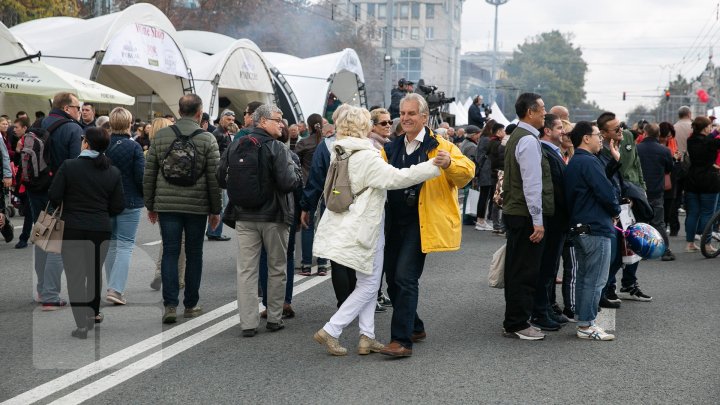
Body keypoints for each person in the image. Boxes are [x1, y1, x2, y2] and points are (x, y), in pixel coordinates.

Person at [312, 105, 442, 356]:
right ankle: (332, 329)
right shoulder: (366, 155)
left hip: (350, 223)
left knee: (366, 281)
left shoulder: (339, 151)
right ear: (363, 127)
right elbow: (397, 178)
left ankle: (367, 336)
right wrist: (432, 167)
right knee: (370, 285)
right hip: (368, 227)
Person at [379, 93, 474, 357]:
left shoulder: (440, 145)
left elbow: (467, 173)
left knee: (405, 278)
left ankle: (401, 341)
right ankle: (416, 326)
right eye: (403, 113)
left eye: (412, 114)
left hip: (420, 223)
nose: (406, 118)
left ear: (424, 117)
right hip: (392, 222)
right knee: (392, 281)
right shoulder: (390, 147)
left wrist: (450, 163)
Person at [219, 104, 302, 337]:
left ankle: (248, 323)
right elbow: (287, 183)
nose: (282, 123)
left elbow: (220, 177)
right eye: (278, 119)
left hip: (244, 216)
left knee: (246, 270)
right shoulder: (276, 147)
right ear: (263, 121)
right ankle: (274, 318)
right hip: (274, 216)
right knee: (277, 267)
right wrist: (296, 173)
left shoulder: (236, 144)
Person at [143, 94, 222, 324]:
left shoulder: (161, 136)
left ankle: (169, 305)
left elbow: (149, 174)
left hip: (167, 204)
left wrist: (151, 204)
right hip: (197, 206)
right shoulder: (207, 139)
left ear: (179, 111)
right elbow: (213, 179)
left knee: (170, 251)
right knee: (194, 253)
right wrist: (215, 210)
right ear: (199, 113)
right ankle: (191, 304)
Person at [48, 127, 124, 339]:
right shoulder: (112, 171)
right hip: (100, 228)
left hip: (72, 227)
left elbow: (54, 195)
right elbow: (118, 206)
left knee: (75, 276)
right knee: (94, 273)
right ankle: (93, 314)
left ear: (87, 143)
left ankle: (81, 324)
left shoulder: (69, 166)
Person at [501, 92, 553, 341]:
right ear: (530, 112)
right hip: (525, 215)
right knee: (525, 271)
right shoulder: (529, 141)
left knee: (515, 269)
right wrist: (538, 221)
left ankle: (513, 320)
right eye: (542, 108)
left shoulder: (516, 136)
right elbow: (532, 184)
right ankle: (518, 323)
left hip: (515, 212)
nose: (545, 112)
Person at [564, 121, 620, 341]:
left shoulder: (576, 161)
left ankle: (583, 320)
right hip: (596, 226)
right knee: (596, 279)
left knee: (585, 277)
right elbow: (606, 191)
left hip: (580, 226)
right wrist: (615, 209)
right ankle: (587, 325)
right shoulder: (589, 161)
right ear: (586, 138)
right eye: (598, 135)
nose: (601, 139)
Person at [34, 92, 84, 310]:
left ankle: (41, 288)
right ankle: (51, 296)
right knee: (57, 243)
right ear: (66, 108)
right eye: (77, 107)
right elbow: (76, 164)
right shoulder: (73, 128)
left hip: (36, 189)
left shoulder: (38, 123)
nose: (79, 111)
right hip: (61, 191)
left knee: (41, 238)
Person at [531, 113, 571, 330]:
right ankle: (540, 311)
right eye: (559, 128)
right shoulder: (545, 152)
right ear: (547, 131)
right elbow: (555, 189)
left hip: (556, 219)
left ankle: (546, 307)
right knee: (546, 268)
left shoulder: (553, 152)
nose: (563, 131)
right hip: (552, 218)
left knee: (551, 267)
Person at [103, 107, 145, 306]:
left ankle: (113, 285)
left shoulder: (103, 145)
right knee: (125, 245)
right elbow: (140, 177)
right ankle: (115, 289)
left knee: (111, 244)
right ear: (130, 124)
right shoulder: (134, 147)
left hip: (106, 201)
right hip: (130, 200)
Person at [146, 118, 186, 291]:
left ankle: (159, 272)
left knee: (167, 240)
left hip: (161, 200)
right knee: (181, 242)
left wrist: (150, 205)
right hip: (181, 199)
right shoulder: (178, 147)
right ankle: (179, 278)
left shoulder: (151, 150)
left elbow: (148, 178)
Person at [295, 113, 330, 276]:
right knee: (324, 227)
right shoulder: (326, 144)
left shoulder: (303, 143)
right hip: (327, 189)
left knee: (307, 226)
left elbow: (296, 164)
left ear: (308, 127)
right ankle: (322, 264)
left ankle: (306, 265)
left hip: (308, 188)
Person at [637, 123, 675, 261]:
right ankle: (665, 251)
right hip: (657, 190)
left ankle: (641, 250)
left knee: (641, 221)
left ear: (644, 133)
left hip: (640, 191)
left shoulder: (636, 149)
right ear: (659, 135)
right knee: (658, 222)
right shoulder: (664, 150)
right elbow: (669, 168)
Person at [684, 116, 720, 253]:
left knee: (692, 213)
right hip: (709, 180)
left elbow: (707, 139)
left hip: (692, 179)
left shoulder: (690, 140)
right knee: (708, 213)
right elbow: (711, 141)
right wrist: (716, 132)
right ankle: (706, 244)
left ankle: (689, 243)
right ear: (706, 128)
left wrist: (714, 133)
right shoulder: (710, 142)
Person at [206, 110, 236, 242]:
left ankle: (213, 230)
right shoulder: (217, 134)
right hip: (219, 174)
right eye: (228, 119)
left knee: (220, 204)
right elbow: (212, 154)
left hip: (223, 173)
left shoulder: (225, 133)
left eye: (232, 120)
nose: (231, 122)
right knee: (220, 204)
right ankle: (214, 231)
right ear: (222, 119)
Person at [474, 120, 496, 231]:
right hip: (486, 171)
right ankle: (480, 220)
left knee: (484, 196)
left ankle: (481, 220)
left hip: (484, 170)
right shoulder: (487, 140)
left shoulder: (483, 139)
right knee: (484, 196)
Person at [487, 122, 506, 234]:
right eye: (503, 130)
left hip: (494, 173)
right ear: (498, 132)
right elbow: (498, 160)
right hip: (498, 173)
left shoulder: (491, 142)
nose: (504, 132)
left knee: (496, 198)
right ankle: (498, 225)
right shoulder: (497, 144)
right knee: (499, 198)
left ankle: (497, 224)